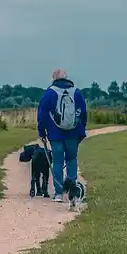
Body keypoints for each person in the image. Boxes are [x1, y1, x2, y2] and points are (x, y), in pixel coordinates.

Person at [37, 68, 88, 209]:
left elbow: (42, 114)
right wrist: (81, 130)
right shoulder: (76, 92)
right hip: (73, 133)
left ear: (53, 78)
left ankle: (58, 194)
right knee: (71, 159)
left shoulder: (49, 93)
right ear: (66, 78)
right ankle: (73, 191)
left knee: (58, 161)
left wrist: (42, 132)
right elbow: (83, 113)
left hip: (55, 134)